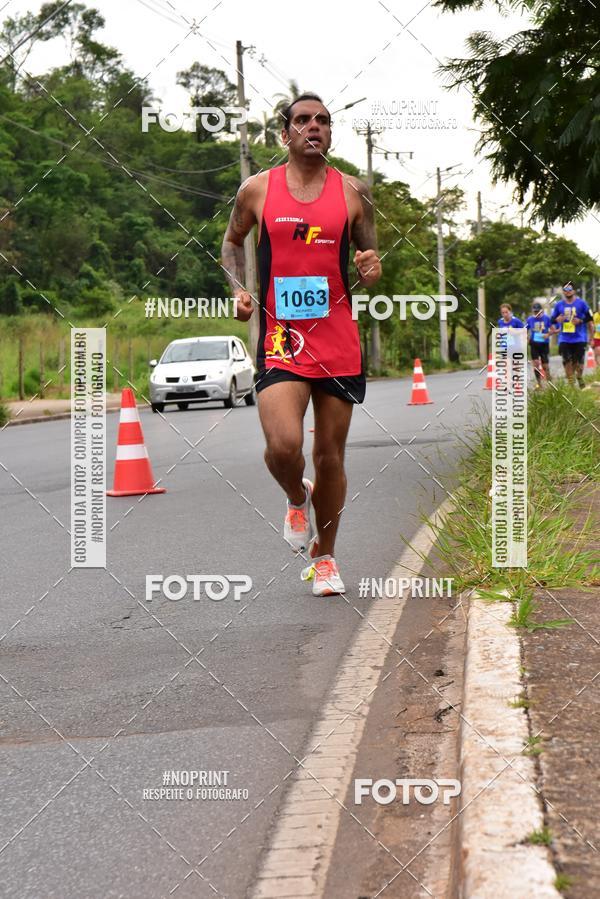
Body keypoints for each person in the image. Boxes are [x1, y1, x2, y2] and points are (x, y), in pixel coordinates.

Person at [221, 93, 382, 596]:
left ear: (330, 133)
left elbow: (370, 257)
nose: (315, 127)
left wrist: (370, 269)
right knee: (283, 445)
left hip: (336, 339)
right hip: (282, 339)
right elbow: (231, 242)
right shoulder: (257, 189)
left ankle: (326, 557)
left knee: (330, 456)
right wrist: (239, 288)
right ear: (285, 133)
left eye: (323, 121)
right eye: (304, 120)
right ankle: (296, 495)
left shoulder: (354, 191)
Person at [549, 282, 593, 387]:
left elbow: (590, 317)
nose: (567, 292)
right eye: (565, 290)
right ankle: (571, 384)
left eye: (569, 289)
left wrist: (580, 321)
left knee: (578, 362)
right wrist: (557, 319)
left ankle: (579, 377)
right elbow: (552, 320)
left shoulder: (582, 303)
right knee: (567, 360)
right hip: (564, 338)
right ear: (563, 292)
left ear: (573, 291)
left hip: (579, 338)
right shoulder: (559, 305)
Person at [525, 301, 552, 387]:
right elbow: (525, 330)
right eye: (535, 312)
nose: (536, 313)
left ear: (541, 311)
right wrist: (527, 338)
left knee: (545, 365)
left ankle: (550, 382)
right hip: (534, 344)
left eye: (538, 311)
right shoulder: (530, 319)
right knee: (536, 364)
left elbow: (553, 329)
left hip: (544, 344)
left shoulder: (547, 318)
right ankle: (539, 384)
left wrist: (548, 334)